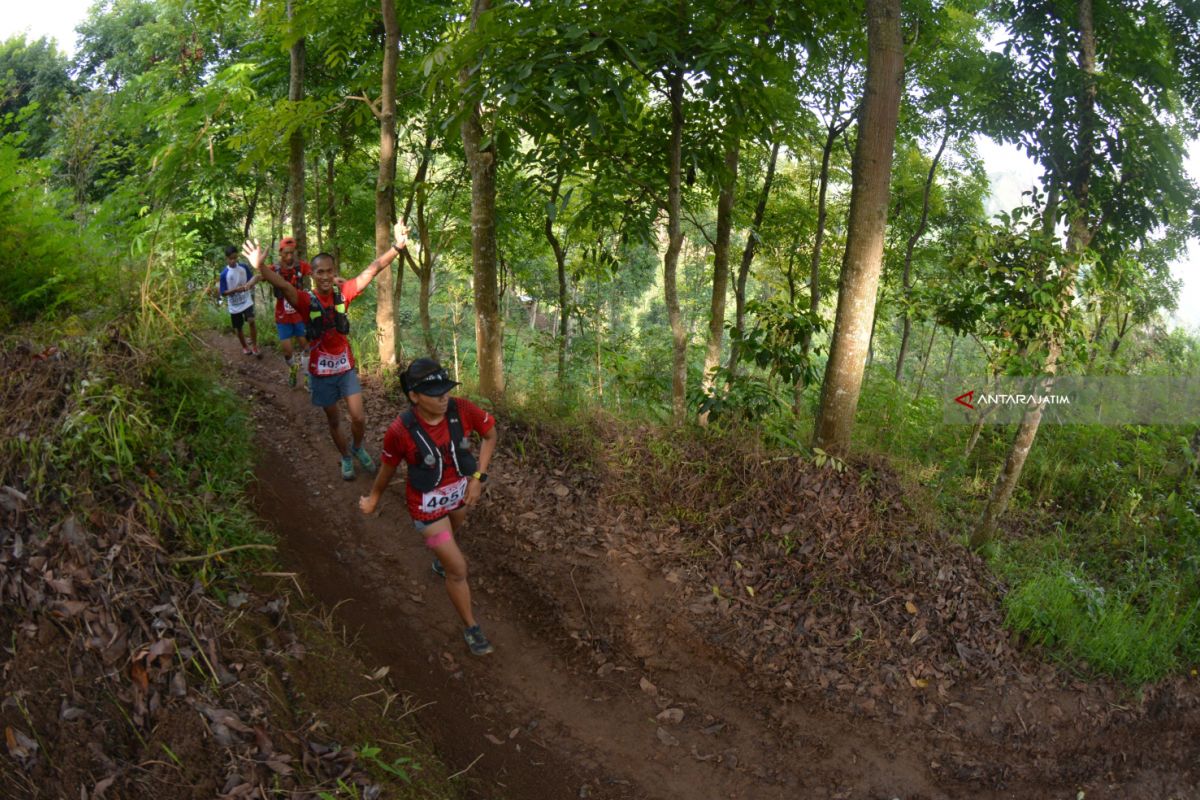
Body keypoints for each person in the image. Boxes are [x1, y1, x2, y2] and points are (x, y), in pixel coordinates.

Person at [243, 221, 409, 481]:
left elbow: (372, 270)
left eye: (328, 272)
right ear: (313, 275)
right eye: (319, 271)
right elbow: (284, 287)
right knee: (333, 420)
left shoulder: (343, 293)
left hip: (345, 369)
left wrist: (397, 246)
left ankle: (357, 447)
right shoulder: (306, 301)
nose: (324, 276)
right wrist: (260, 267)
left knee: (358, 418)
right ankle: (345, 457)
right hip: (320, 373)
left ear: (334, 274)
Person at [359, 358, 498, 656]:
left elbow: (490, 434)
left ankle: (441, 561)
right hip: (427, 513)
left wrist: (478, 478)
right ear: (414, 396)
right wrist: (373, 498)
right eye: (435, 393)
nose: (443, 397)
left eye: (445, 389)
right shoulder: (400, 431)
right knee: (458, 568)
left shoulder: (462, 410)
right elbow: (388, 468)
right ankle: (471, 628)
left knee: (456, 529)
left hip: (459, 497)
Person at [271, 237, 312, 387]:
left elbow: (316, 272)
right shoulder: (274, 269)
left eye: (292, 253)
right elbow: (261, 275)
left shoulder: (300, 267)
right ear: (280, 252)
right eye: (286, 253)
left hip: (299, 315)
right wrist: (250, 283)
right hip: (282, 316)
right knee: (288, 351)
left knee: (306, 347)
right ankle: (293, 368)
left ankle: (308, 377)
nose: (289, 257)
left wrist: (333, 280)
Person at [219, 244, 260, 357]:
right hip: (234, 305)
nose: (233, 260)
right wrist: (235, 290)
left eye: (235, 258)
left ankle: (255, 346)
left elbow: (251, 280)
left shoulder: (243, 267)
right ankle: (245, 347)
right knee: (238, 327)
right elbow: (223, 292)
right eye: (231, 258)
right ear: (226, 258)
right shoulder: (224, 274)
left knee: (251, 321)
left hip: (246, 301)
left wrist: (249, 285)